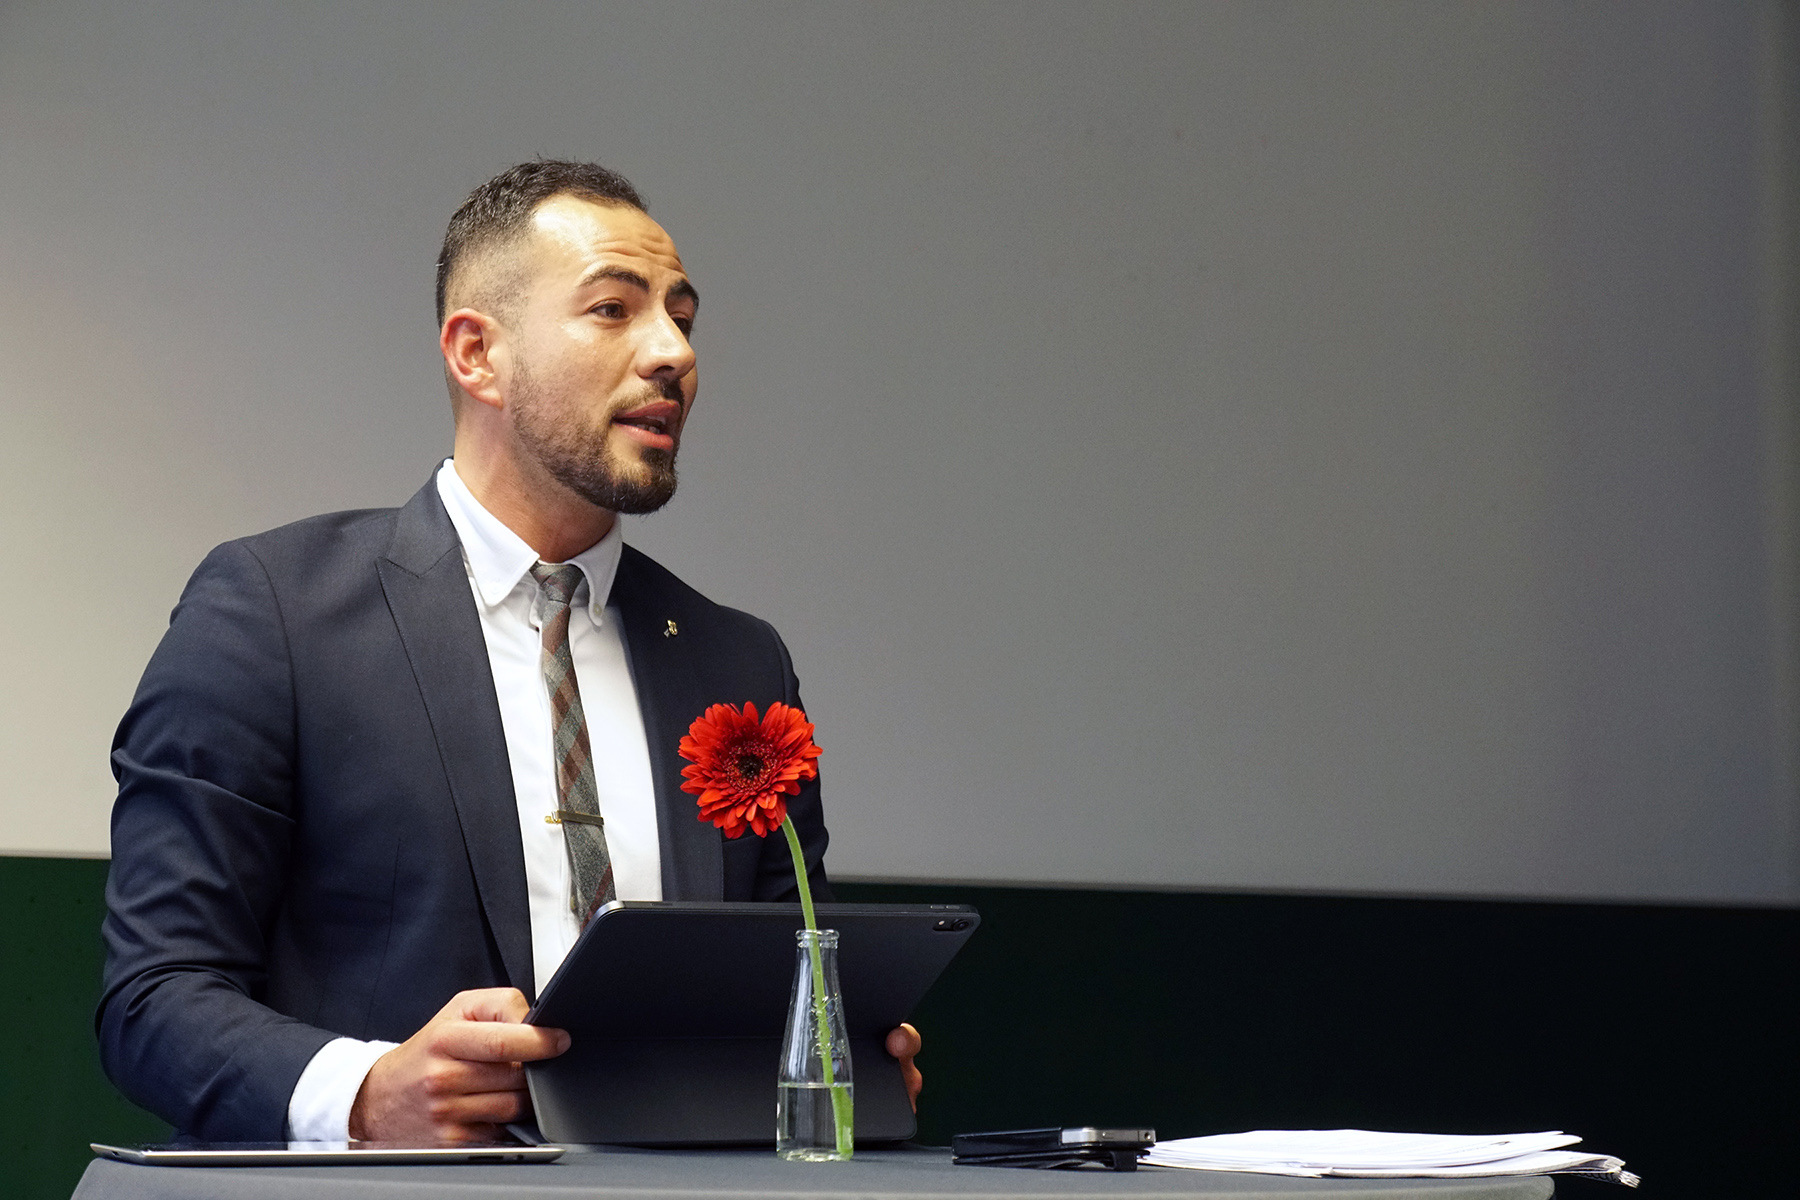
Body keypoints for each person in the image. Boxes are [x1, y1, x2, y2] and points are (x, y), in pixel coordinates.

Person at [98, 160, 921, 1143]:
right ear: (476, 353)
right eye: (614, 310)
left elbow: (791, 980)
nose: (672, 353)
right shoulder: (272, 615)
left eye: (684, 318)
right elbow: (153, 999)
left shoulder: (737, 662)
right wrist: (365, 1093)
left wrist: (842, 1053)